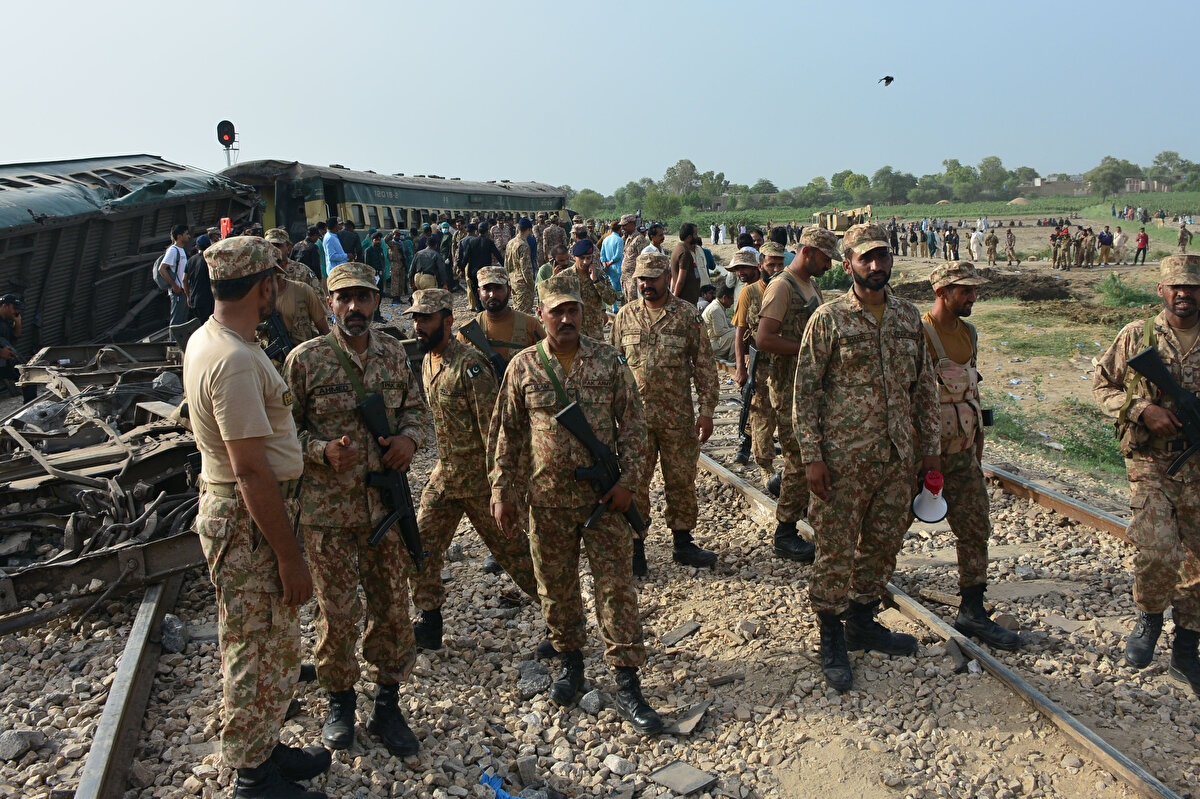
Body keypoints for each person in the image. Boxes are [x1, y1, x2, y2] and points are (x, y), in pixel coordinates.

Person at [182, 236, 330, 799]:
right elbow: (249, 472)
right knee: (254, 644)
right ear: (263, 285)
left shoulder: (212, 338)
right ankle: (251, 776)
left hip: (247, 517)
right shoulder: (235, 361)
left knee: (272, 639)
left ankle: (263, 746)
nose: (281, 288)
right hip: (249, 521)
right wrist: (291, 557)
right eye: (277, 280)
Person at [490, 270, 662, 734]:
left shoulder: (609, 361)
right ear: (541, 315)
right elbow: (506, 435)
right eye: (557, 311)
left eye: (573, 310)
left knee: (616, 589)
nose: (566, 318)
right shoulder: (523, 366)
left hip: (604, 502)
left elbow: (635, 428)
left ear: (583, 313)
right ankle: (571, 664)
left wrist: (629, 483)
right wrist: (502, 491)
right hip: (546, 503)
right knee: (556, 588)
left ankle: (628, 683)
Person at [284, 262, 427, 757]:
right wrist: (320, 452)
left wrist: (409, 440)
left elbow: (416, 409)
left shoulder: (392, 353)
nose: (354, 308)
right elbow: (283, 435)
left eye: (363, 298)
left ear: (376, 301)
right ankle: (340, 702)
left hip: (385, 510)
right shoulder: (305, 361)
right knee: (337, 614)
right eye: (343, 298)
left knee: (391, 610)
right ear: (329, 304)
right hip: (329, 516)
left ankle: (388, 704)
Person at [793, 223, 940, 692]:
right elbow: (806, 392)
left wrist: (929, 455)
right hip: (841, 461)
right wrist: (812, 457)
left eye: (882, 257)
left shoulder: (907, 318)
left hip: (896, 460)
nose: (876, 266)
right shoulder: (829, 319)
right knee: (835, 550)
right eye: (866, 259)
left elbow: (924, 391)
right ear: (848, 264)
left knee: (882, 544)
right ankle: (831, 635)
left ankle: (860, 619)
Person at [402, 287, 542, 650]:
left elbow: (494, 432)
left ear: (447, 321)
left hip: (480, 481)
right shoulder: (428, 359)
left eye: (425, 319)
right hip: (446, 476)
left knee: (516, 554)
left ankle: (562, 618)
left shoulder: (471, 367)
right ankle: (429, 622)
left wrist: (503, 489)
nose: (418, 326)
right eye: (415, 318)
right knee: (421, 548)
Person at [1094, 254, 1200, 696]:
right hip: (1151, 462)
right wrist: (1142, 409)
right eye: (1175, 286)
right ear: (1161, 289)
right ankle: (1149, 619)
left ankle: (1187, 645)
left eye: (1192, 287)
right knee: (1156, 547)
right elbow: (1102, 386)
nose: (1183, 294)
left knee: (1197, 561)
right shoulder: (1139, 337)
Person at [921, 262, 1022, 650]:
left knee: (976, 525)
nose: (973, 297)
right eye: (965, 291)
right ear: (943, 292)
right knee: (888, 527)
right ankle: (865, 599)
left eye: (973, 290)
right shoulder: (920, 333)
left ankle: (973, 610)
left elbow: (971, 388)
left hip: (962, 452)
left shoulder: (970, 333)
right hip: (920, 455)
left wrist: (978, 437)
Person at [610, 252, 719, 576]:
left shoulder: (686, 316)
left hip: (677, 418)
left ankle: (683, 543)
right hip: (635, 422)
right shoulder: (625, 317)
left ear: (666, 279)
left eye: (652, 279)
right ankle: (635, 547)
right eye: (641, 280)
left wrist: (708, 410)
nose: (646, 285)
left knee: (681, 480)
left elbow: (704, 366)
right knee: (634, 483)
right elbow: (614, 368)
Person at [756, 233, 842, 562]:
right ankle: (785, 533)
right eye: (824, 258)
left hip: (809, 387)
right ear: (807, 253)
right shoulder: (782, 287)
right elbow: (764, 338)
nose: (829, 264)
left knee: (809, 455)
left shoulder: (809, 286)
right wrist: (807, 351)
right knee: (799, 459)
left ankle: (792, 498)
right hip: (788, 387)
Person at [728, 250, 777, 487]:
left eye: (742, 269)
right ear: (762, 265)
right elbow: (740, 332)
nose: (740, 274)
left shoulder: (786, 288)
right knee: (760, 413)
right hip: (760, 364)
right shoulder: (749, 292)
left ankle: (749, 445)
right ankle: (764, 464)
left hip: (784, 363)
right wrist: (740, 367)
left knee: (775, 415)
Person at [458, 266, 545, 364]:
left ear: (509, 290)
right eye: (486, 289)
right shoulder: (468, 331)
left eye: (498, 288)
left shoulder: (530, 324)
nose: (492, 295)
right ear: (479, 292)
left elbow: (548, 360)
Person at [565, 239, 619, 340]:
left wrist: (596, 281)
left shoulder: (599, 275)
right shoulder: (565, 277)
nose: (585, 262)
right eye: (582, 258)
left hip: (595, 332)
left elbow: (611, 299)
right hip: (573, 331)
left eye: (588, 258)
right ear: (573, 257)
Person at [456, 222, 505, 312]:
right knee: (486, 291)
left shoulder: (471, 242)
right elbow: (498, 256)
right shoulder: (489, 242)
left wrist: (461, 269)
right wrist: (505, 266)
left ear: (478, 231)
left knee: (476, 292)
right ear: (487, 232)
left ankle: (479, 310)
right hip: (486, 273)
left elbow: (465, 258)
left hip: (473, 273)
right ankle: (486, 309)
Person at [159, 224, 192, 334]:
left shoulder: (181, 250)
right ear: (179, 236)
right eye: (186, 234)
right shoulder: (173, 250)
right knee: (176, 322)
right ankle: (173, 347)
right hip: (178, 292)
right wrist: (175, 286)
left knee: (182, 321)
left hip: (183, 291)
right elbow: (162, 269)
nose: (189, 236)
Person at [504, 218, 538, 314]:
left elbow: (507, 264)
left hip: (513, 281)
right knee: (523, 314)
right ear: (529, 229)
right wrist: (532, 285)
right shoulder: (523, 245)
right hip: (523, 284)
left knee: (516, 310)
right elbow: (526, 268)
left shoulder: (510, 243)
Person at [185, 234, 216, 324]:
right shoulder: (210, 260)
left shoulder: (190, 261)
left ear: (196, 247)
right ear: (210, 246)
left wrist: (188, 296)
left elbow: (184, 279)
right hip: (208, 299)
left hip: (194, 298)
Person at [670, 222, 703, 306]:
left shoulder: (678, 249)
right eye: (695, 234)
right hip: (685, 302)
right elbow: (680, 280)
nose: (697, 237)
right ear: (689, 237)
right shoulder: (685, 253)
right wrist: (675, 298)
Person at [619, 214, 649, 302]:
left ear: (632, 224)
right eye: (621, 226)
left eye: (624, 225)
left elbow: (643, 259)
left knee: (635, 304)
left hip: (633, 280)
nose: (622, 228)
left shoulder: (639, 239)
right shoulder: (628, 238)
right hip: (626, 279)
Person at [702, 286, 736, 361]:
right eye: (732, 299)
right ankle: (732, 361)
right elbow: (719, 332)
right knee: (736, 334)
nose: (733, 302)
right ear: (724, 298)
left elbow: (729, 324)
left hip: (716, 342)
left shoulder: (720, 306)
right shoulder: (716, 309)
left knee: (736, 331)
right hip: (712, 344)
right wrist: (735, 330)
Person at [599, 219, 626, 295]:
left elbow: (602, 254)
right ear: (620, 229)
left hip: (608, 268)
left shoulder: (605, 239)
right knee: (621, 287)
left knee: (612, 286)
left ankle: (614, 306)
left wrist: (604, 263)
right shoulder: (619, 240)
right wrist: (610, 262)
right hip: (618, 266)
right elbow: (618, 255)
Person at [386, 229, 409, 302]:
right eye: (397, 235)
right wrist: (391, 233)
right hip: (395, 264)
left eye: (399, 235)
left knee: (401, 281)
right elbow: (385, 239)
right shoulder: (392, 244)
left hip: (402, 263)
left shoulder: (401, 243)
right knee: (395, 281)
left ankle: (399, 297)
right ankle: (395, 297)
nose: (398, 237)